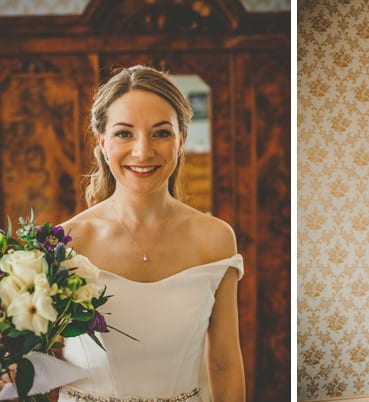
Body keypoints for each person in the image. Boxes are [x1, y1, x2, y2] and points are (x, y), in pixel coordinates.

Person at [58, 65, 245, 401]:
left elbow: (224, 363)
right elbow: (45, 363)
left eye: (160, 133)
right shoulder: (66, 242)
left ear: (181, 140)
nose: (142, 152)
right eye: (124, 133)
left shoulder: (216, 240)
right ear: (101, 141)